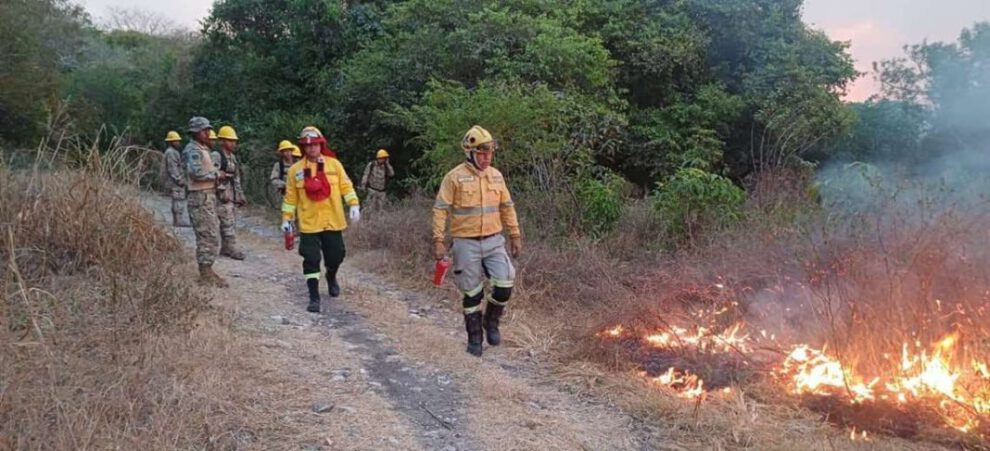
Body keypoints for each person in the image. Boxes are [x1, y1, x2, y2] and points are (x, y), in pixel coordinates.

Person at [432, 125, 522, 357]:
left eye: (490, 152)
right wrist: (439, 239)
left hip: (494, 241)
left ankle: (491, 322)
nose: (487, 158)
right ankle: (474, 337)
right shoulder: (454, 178)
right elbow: (441, 209)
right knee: (472, 293)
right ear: (470, 152)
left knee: (505, 283)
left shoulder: (496, 176)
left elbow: (507, 206)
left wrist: (515, 234)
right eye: (482, 153)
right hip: (465, 243)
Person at [281, 126, 361, 313]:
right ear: (302, 148)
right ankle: (314, 296)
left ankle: (331, 276)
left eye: (315, 145)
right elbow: (290, 198)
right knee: (311, 259)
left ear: (321, 144)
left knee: (336, 255)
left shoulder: (334, 165)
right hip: (309, 224)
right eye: (307, 146)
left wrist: (354, 204)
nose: (312, 149)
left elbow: (346, 187)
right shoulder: (295, 171)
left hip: (333, 220)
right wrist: (286, 218)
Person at [182, 116, 227, 287]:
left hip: (207, 196)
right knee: (206, 235)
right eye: (204, 130)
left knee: (212, 233)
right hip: (199, 197)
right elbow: (196, 173)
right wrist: (217, 174)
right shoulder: (193, 150)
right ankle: (205, 273)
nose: (208, 133)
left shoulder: (202, 149)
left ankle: (208, 269)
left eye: (208, 130)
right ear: (196, 132)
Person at [211, 125, 246, 260]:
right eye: (230, 140)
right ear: (222, 141)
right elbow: (210, 172)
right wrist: (220, 174)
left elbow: (236, 178)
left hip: (229, 194)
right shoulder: (216, 156)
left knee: (230, 220)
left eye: (234, 141)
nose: (233, 143)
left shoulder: (232, 157)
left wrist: (240, 195)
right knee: (227, 222)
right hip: (219, 195)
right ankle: (231, 247)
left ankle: (226, 247)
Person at [161, 130, 191, 227]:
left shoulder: (172, 152)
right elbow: (172, 168)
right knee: (178, 199)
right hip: (175, 182)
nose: (178, 142)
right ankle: (179, 220)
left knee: (177, 200)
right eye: (176, 141)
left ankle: (177, 220)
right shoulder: (171, 152)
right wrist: (179, 180)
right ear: (171, 142)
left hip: (173, 180)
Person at [360, 149, 395, 213]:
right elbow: (366, 175)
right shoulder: (372, 165)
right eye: (382, 158)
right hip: (372, 190)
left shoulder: (386, 166)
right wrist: (363, 185)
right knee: (368, 209)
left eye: (384, 158)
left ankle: (378, 222)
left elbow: (391, 174)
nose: (383, 160)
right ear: (378, 158)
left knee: (380, 210)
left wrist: (388, 164)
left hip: (382, 192)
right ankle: (366, 221)